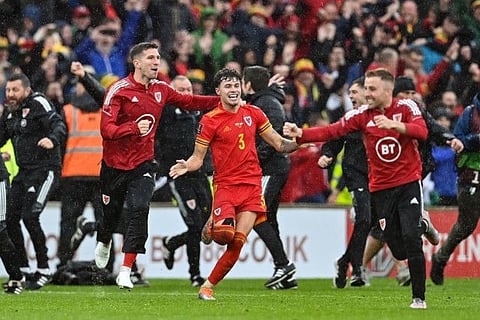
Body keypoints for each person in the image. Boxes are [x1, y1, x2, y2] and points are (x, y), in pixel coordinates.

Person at [284, 68, 431, 309]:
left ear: (387, 90)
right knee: (397, 245)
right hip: (381, 188)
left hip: (408, 183)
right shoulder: (362, 115)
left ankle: (418, 298)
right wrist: (302, 134)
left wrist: (396, 126)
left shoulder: (406, 107)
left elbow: (422, 131)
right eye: (367, 89)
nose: (368, 94)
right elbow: (333, 131)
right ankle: (421, 224)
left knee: (411, 238)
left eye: (372, 89)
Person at [95, 42, 220, 290]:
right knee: (110, 215)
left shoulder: (162, 89)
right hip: (114, 165)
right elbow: (105, 130)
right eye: (151, 57)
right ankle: (104, 239)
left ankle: (126, 269)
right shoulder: (118, 90)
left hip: (143, 163)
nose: (156, 61)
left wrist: (221, 100)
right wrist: (132, 128)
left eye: (158, 57)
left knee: (140, 209)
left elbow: (191, 101)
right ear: (137, 62)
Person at [169, 68, 298, 300]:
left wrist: (300, 140)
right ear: (218, 91)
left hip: (251, 187)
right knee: (224, 235)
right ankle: (211, 226)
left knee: (237, 242)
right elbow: (198, 158)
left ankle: (207, 286)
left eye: (236, 85)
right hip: (225, 186)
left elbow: (279, 144)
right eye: (228, 86)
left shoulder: (254, 113)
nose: (233, 90)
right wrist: (187, 165)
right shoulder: (209, 120)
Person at [362, 76, 463, 286]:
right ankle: (361, 265)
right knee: (385, 228)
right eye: (405, 94)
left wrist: (448, 138)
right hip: (384, 178)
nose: (410, 97)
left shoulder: (415, 111)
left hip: (412, 173)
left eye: (412, 93)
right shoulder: (374, 114)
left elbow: (432, 129)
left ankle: (361, 266)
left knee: (390, 226)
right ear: (391, 94)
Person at [1, 72, 66, 290]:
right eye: (8, 90)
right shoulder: (9, 114)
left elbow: (59, 124)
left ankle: (44, 268)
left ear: (26, 91)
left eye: (15, 90)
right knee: (10, 219)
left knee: (30, 215)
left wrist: (52, 139)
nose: (10, 94)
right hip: (24, 172)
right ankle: (24, 268)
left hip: (46, 170)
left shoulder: (38, 103)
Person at [242, 65, 297, 289]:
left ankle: (283, 264)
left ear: (248, 85)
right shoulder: (267, 101)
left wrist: (253, 161)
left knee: (255, 214)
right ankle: (284, 273)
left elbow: (271, 141)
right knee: (269, 217)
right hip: (274, 167)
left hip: (270, 168)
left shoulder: (265, 104)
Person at [155, 75, 212, 287]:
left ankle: (172, 243)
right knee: (195, 224)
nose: (187, 93)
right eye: (181, 90)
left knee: (206, 225)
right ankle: (195, 274)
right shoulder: (166, 112)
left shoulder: (198, 112)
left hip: (200, 174)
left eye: (189, 89)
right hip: (179, 175)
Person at [318, 77, 371, 288]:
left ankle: (344, 262)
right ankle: (357, 269)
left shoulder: (382, 117)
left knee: (370, 223)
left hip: (379, 176)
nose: (351, 97)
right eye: (350, 94)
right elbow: (334, 139)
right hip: (356, 175)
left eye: (355, 93)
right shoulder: (350, 118)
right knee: (365, 219)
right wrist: (327, 155)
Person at [56, 62, 104, 269]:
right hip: (102, 175)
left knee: (68, 222)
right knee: (105, 224)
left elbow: (58, 143)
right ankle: (105, 266)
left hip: (73, 175)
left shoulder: (68, 111)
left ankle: (64, 263)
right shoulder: (109, 110)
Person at [430, 92, 480, 285]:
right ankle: (440, 258)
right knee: (466, 225)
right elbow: (457, 140)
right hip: (471, 177)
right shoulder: (469, 114)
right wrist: (475, 140)